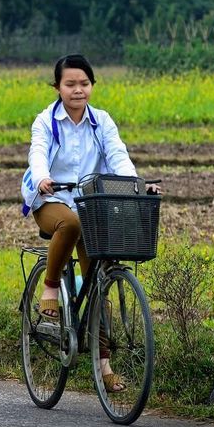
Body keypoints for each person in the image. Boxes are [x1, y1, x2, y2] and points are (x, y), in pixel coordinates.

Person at [20, 54, 159, 393]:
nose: (78, 90)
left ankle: (105, 366)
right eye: (70, 84)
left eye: (84, 83)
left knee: (100, 280)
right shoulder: (46, 122)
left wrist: (137, 185)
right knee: (68, 224)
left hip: (90, 205)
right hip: (51, 200)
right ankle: (50, 288)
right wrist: (42, 179)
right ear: (58, 88)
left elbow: (118, 156)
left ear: (92, 86)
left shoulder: (102, 121)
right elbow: (37, 153)